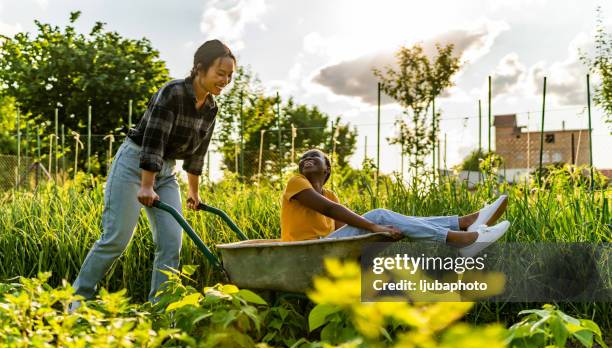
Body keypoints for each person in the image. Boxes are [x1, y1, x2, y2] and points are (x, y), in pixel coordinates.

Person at [70, 40, 235, 311]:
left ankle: (159, 310)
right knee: (116, 238)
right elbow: (153, 140)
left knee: (172, 242)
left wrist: (194, 192)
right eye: (220, 73)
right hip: (134, 164)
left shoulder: (211, 108)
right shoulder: (172, 93)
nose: (225, 80)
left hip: (166, 173)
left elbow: (198, 154)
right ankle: (76, 301)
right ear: (199, 68)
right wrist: (146, 185)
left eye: (230, 75)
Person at [281, 149, 510, 257]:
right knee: (378, 216)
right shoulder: (296, 182)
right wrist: (374, 226)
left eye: (314, 156)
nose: (306, 159)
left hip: (323, 250)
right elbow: (330, 210)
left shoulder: (330, 194)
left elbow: (346, 235)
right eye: (302, 158)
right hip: (302, 252)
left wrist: (383, 232)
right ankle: (459, 236)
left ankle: (463, 223)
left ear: (327, 168)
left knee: (385, 219)